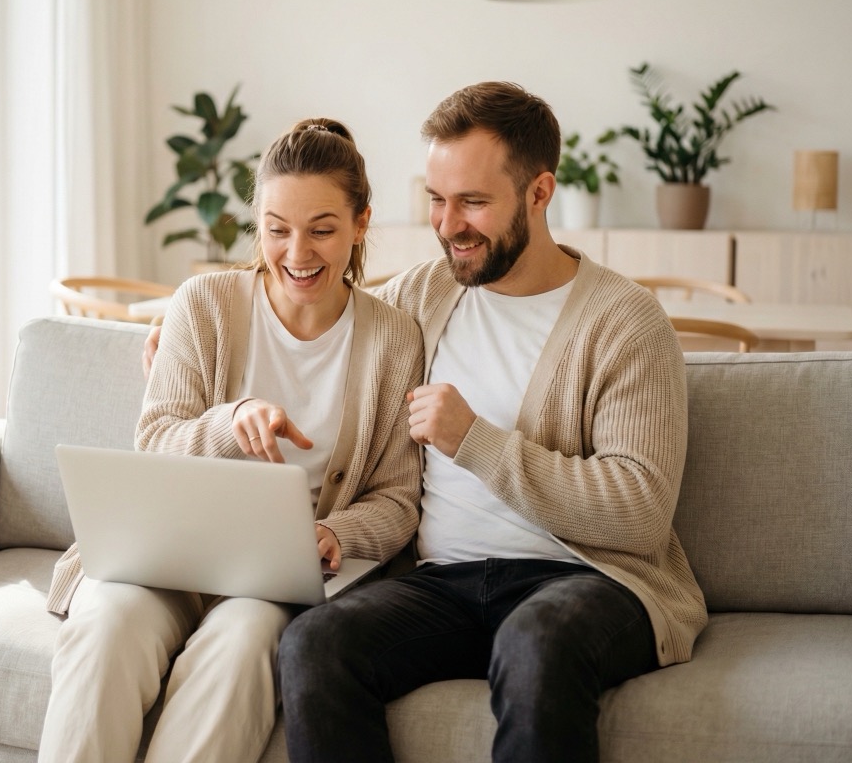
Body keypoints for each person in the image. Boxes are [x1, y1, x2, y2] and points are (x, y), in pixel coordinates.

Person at [274, 82, 709, 763]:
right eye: (436, 200)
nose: (449, 225)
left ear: (539, 192)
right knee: (314, 642)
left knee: (535, 640)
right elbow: (311, 315)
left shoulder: (625, 321)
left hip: (585, 580)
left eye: (473, 202)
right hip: (444, 584)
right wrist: (187, 335)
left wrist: (475, 442)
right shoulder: (422, 294)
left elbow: (640, 513)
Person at [37, 117, 424, 763]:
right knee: (106, 625)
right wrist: (228, 423)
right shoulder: (204, 304)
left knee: (243, 644)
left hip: (272, 580)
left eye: (322, 230)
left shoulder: (394, 339)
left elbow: (397, 498)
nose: (297, 253)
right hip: (164, 554)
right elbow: (155, 441)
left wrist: (337, 534)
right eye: (277, 229)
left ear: (361, 224)